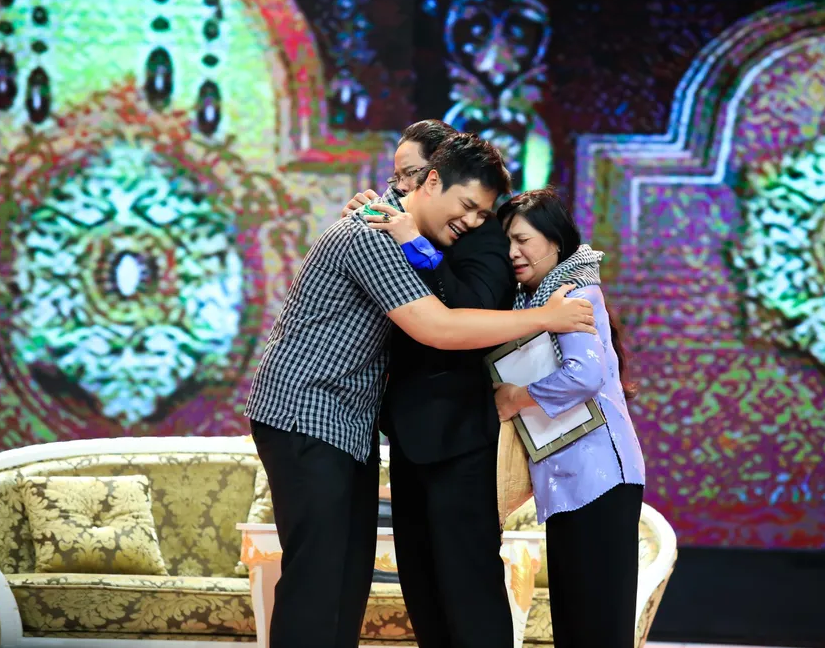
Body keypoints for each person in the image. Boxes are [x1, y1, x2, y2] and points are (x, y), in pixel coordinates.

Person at [244, 135, 596, 648]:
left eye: (483, 213)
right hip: (308, 410)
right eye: (467, 206)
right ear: (432, 181)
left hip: (346, 423)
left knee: (344, 578)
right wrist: (545, 316)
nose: (474, 221)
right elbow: (437, 326)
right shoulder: (374, 233)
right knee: (318, 576)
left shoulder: (394, 229)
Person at [345, 119, 515, 647]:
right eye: (397, 178)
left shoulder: (485, 236)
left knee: (469, 587)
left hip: (459, 439)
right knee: (422, 587)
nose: (401, 188)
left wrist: (416, 243)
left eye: (412, 175)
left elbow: (473, 312)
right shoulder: (399, 223)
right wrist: (363, 224)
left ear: (437, 175)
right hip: (408, 434)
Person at [493, 187, 646, 648]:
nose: (513, 252)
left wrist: (516, 397)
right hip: (569, 480)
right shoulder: (533, 302)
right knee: (576, 622)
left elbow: (585, 374)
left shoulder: (576, 292)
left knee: (597, 624)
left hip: (599, 478)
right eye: (507, 242)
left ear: (555, 242)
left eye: (523, 240)